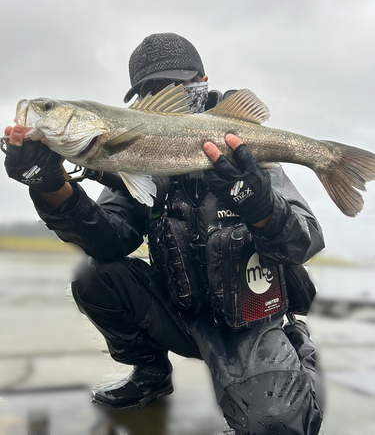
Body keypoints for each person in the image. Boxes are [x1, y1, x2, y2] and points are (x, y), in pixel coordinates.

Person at [4, 33, 324, 434]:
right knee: (96, 277)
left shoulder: (244, 152)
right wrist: (49, 185)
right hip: (181, 310)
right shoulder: (136, 160)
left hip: (250, 320)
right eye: (147, 91)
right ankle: (150, 373)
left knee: (276, 425)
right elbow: (110, 239)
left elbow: (305, 241)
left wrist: (258, 203)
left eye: (175, 85)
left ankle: (296, 352)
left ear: (203, 80)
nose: (160, 95)